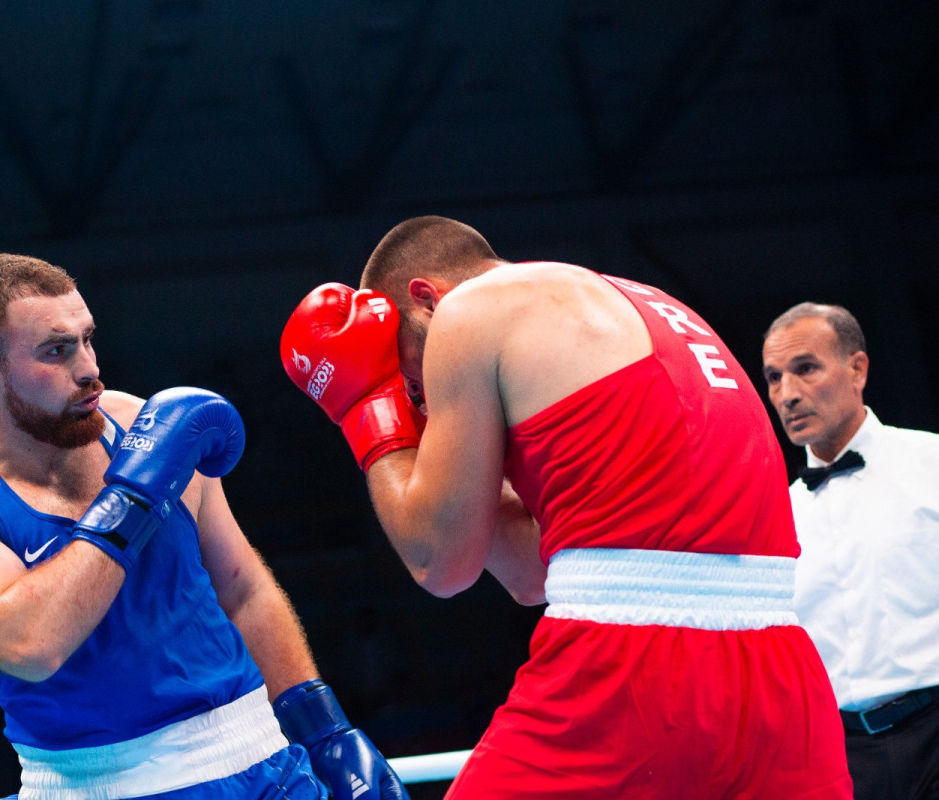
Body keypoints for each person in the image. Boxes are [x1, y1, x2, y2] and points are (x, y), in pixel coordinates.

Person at [280, 215, 853, 798]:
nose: (421, 395)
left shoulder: (467, 312)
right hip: (782, 677)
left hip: (632, 665)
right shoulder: (640, 303)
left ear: (426, 299)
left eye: (411, 376)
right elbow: (534, 574)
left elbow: (439, 562)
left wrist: (370, 409)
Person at [0, 254, 408, 800]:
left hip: (264, 765)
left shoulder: (140, 424)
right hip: (101, 785)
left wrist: (324, 729)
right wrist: (132, 496)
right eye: (56, 351)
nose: (88, 367)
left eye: (88, 339)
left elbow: (243, 588)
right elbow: (29, 645)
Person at [762, 302, 939, 800]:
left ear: (857, 368)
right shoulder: (776, 516)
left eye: (805, 369)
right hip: (840, 754)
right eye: (774, 378)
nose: (787, 394)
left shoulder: (932, 464)